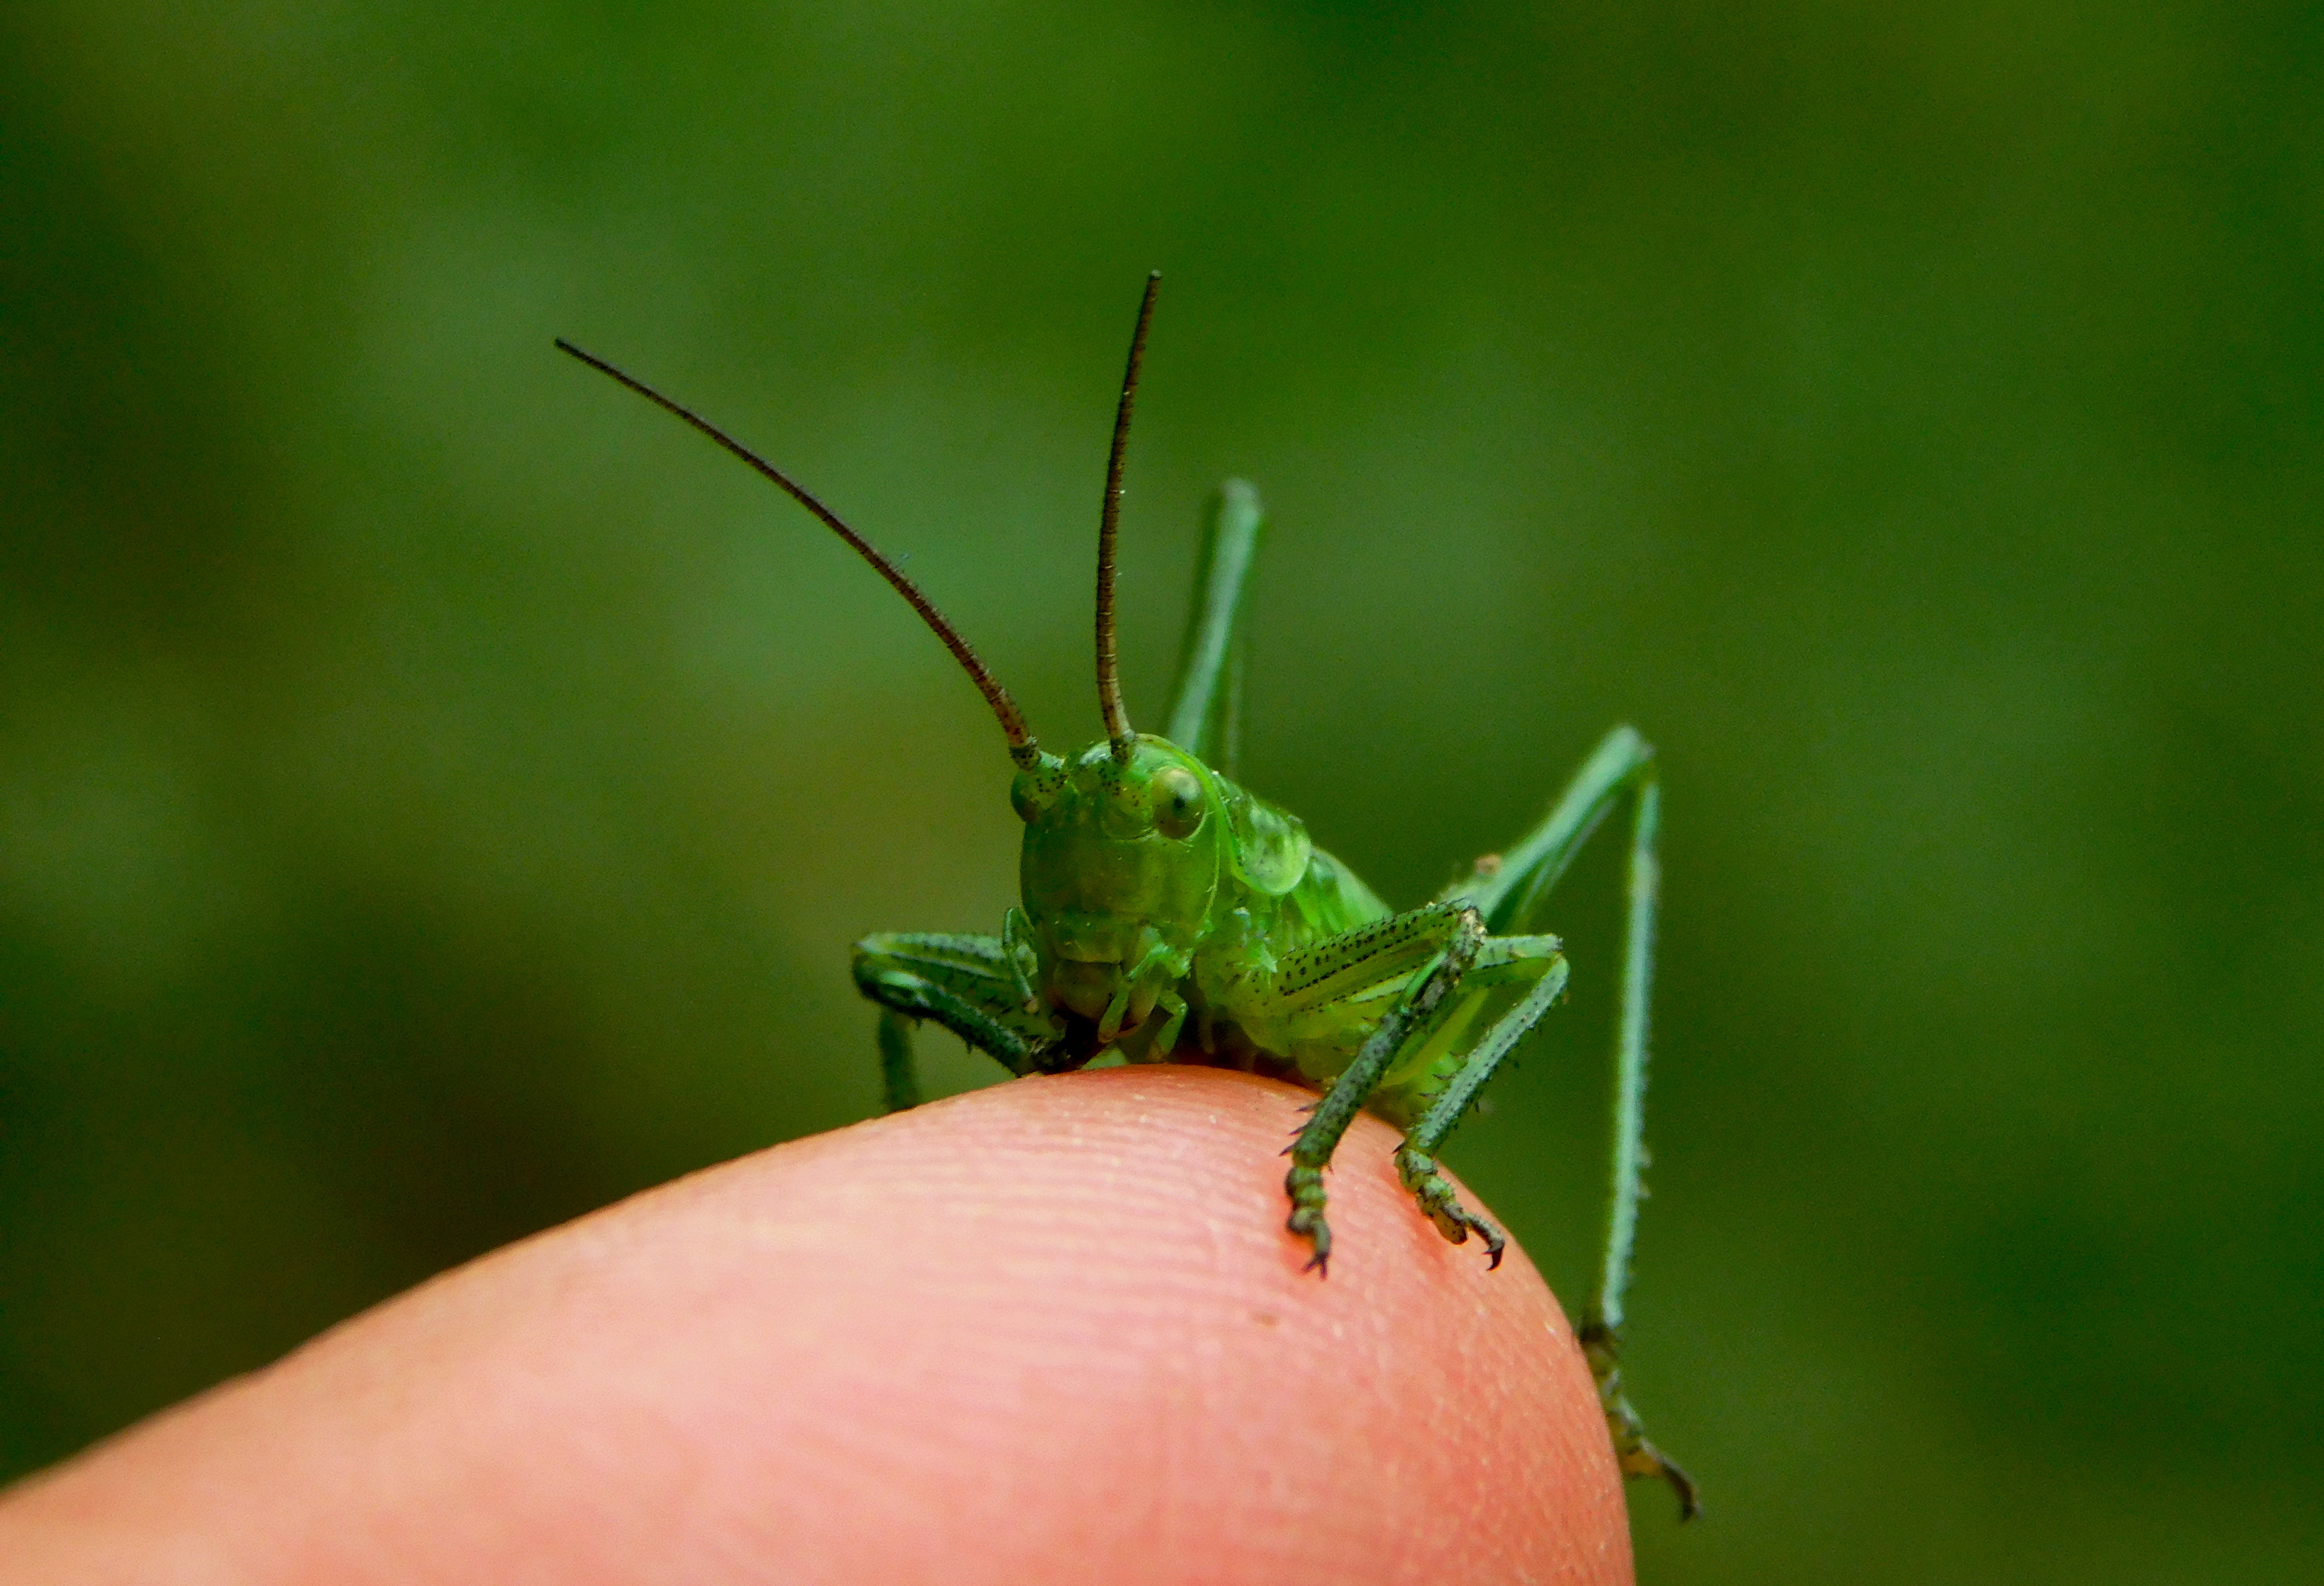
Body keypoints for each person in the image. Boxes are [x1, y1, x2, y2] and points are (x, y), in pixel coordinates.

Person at [0, 1066, 1631, 1583]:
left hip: (1375, 1015)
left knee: (1516, 918)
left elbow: (1501, 963)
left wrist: (1350, 1149)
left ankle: (1606, 1342)